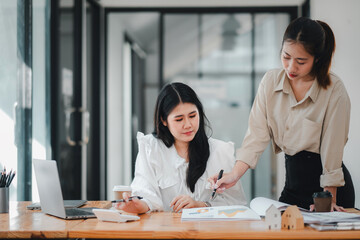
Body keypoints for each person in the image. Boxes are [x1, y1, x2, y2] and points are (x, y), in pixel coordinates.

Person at [209, 17, 355, 211]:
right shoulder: (270, 82)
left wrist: (328, 200)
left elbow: (333, 149)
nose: (291, 67)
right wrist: (234, 175)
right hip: (292, 188)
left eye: (301, 61)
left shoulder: (333, 89)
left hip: (326, 192)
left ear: (317, 58)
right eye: (286, 57)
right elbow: (256, 135)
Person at [115, 82, 246, 214]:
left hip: (208, 232)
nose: (188, 125)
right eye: (179, 119)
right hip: (165, 232)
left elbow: (236, 203)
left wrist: (201, 205)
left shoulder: (220, 150)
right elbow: (146, 195)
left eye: (192, 116)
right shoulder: (151, 148)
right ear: (164, 120)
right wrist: (136, 206)